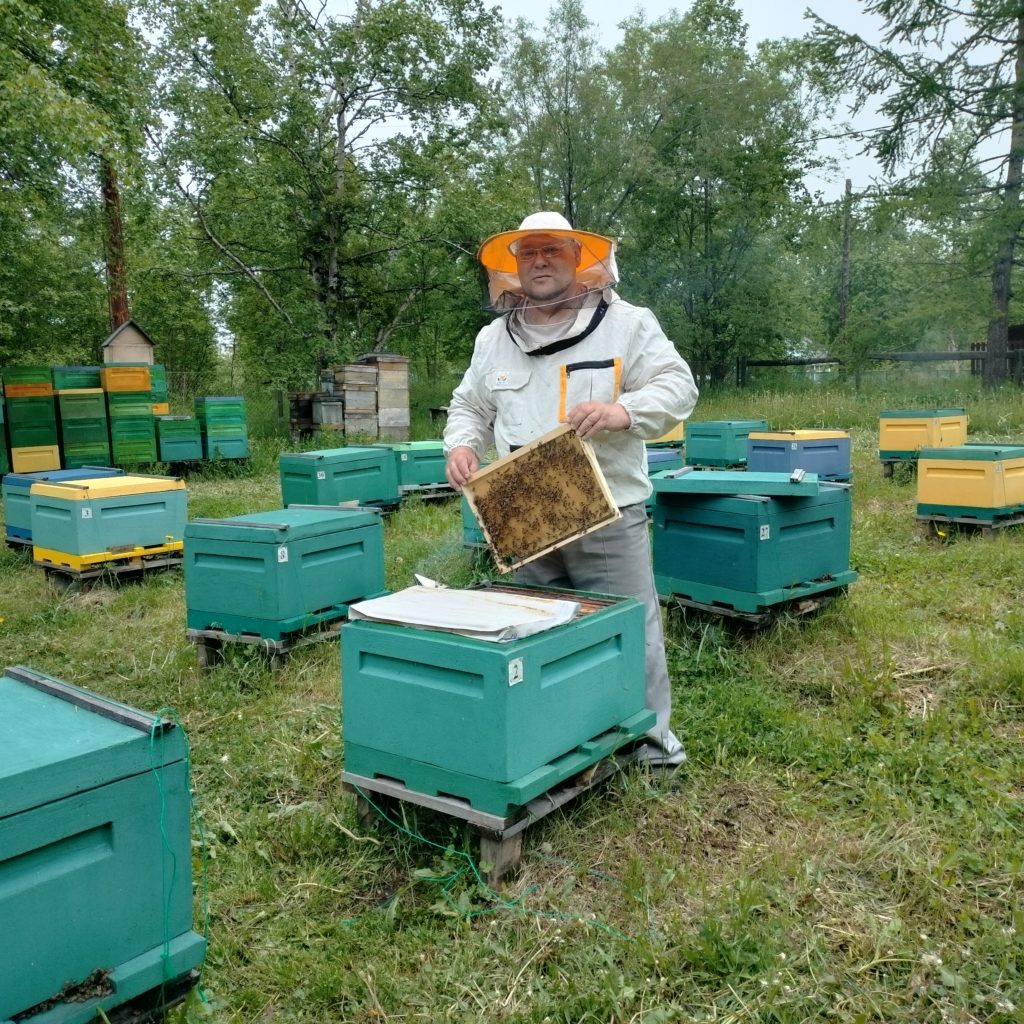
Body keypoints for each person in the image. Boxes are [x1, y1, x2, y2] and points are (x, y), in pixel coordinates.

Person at [443, 211, 699, 768]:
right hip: (522, 508)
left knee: (629, 627)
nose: (538, 261)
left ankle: (652, 748)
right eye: (528, 253)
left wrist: (620, 409)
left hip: (606, 507)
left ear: (578, 257)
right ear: (513, 266)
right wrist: (461, 446)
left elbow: (678, 387)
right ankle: (560, 741)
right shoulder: (493, 339)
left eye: (551, 250)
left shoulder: (626, 323)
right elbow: (469, 405)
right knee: (536, 631)